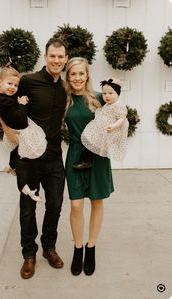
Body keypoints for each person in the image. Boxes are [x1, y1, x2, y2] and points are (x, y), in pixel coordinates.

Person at [15, 38, 68, 279]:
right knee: (28, 208)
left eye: (60, 56)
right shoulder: (28, 81)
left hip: (55, 157)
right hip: (30, 160)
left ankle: (49, 247)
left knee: (55, 205)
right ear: (45, 57)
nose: (56, 60)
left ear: (65, 59)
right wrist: (13, 137)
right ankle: (29, 254)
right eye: (52, 56)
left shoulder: (64, 86)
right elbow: (5, 105)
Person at [64, 57, 114, 276]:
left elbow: (122, 111)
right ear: (68, 77)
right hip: (75, 152)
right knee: (76, 205)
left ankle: (90, 247)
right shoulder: (64, 100)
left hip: (98, 155)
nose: (77, 78)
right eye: (73, 74)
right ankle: (77, 248)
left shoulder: (100, 98)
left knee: (96, 201)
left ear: (87, 75)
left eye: (81, 74)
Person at [0, 66, 47, 202]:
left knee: (19, 152)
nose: (12, 87)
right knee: (26, 156)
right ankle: (24, 186)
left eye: (15, 85)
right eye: (9, 83)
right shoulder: (3, 101)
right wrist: (22, 104)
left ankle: (12, 166)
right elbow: (21, 121)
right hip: (20, 129)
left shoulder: (2, 96)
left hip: (17, 129)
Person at [75, 78, 129, 168]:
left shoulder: (118, 106)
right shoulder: (108, 104)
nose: (107, 96)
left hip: (108, 130)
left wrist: (114, 126)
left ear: (118, 94)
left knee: (92, 141)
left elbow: (121, 119)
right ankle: (86, 160)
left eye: (111, 93)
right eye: (104, 93)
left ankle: (86, 161)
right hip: (99, 128)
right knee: (88, 139)